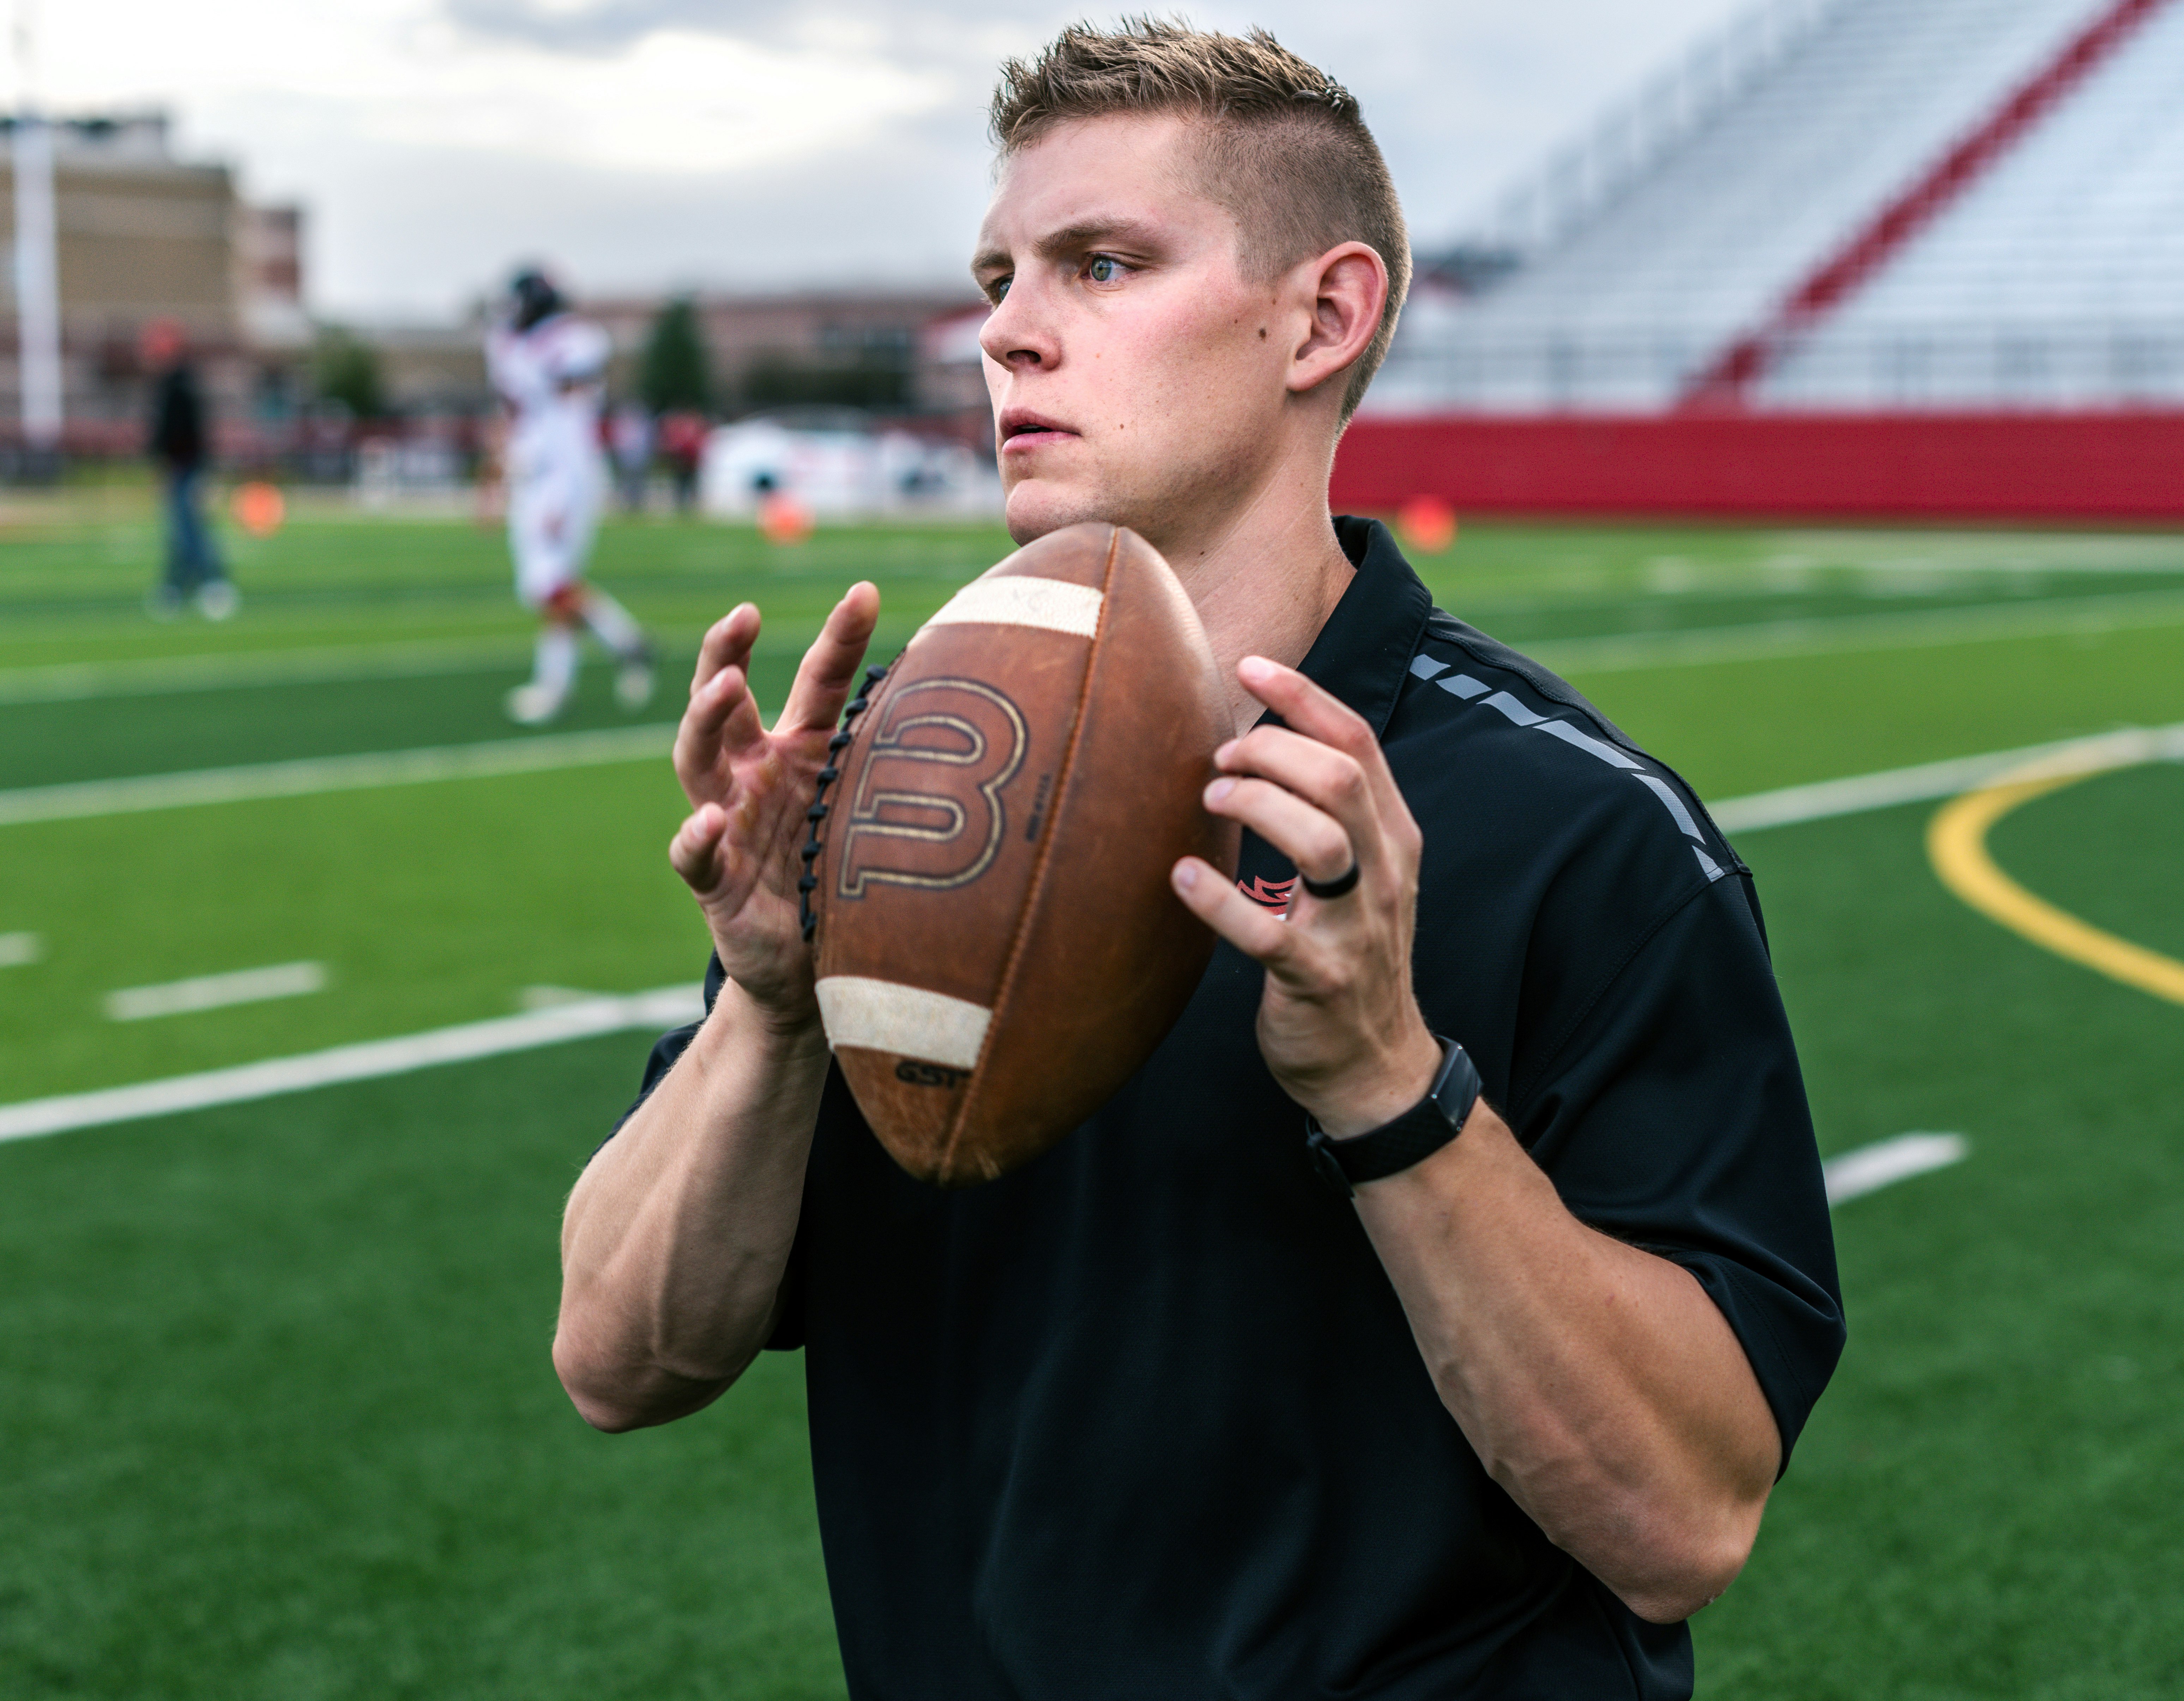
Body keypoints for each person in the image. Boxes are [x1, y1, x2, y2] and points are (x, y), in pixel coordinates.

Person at [555, 22, 1842, 1700]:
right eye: (998, 274)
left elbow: (1684, 1519)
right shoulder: (898, 782)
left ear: (1323, 315)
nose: (1005, 332)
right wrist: (774, 1007)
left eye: (1101, 264)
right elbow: (615, 1356)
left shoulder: (1579, 832)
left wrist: (1387, 1083)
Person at [485, 267, 654, 725]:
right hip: (533, 474)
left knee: (552, 584)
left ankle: (557, 685)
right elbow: (512, 416)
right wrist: (494, 480)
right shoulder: (507, 345)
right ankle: (627, 644)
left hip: (566, 474)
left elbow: (569, 421)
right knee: (544, 588)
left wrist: (562, 495)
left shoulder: (574, 341)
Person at [144, 318, 236, 620]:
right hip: (177, 468)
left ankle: (212, 584)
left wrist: (202, 474)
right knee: (181, 532)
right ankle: (176, 586)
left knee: (191, 532)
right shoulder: (168, 383)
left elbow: (192, 432)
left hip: (189, 468)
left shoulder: (183, 383)